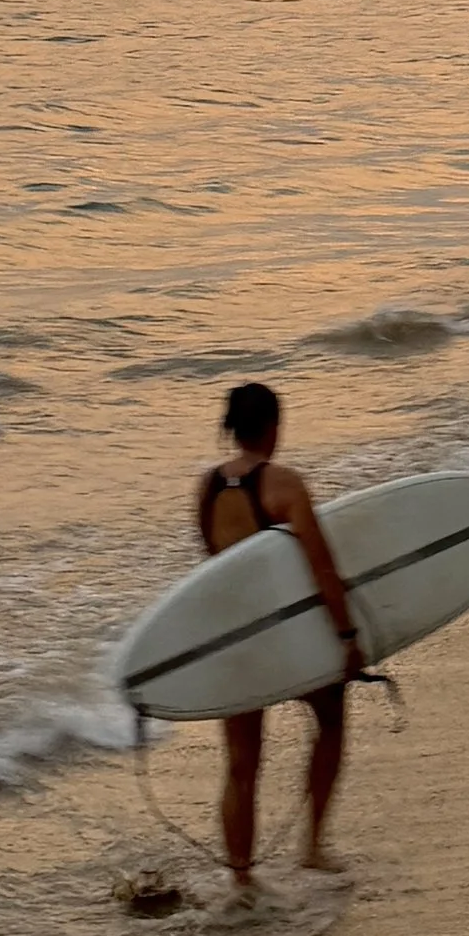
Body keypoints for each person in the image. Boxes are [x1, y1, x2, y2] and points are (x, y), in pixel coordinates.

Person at [195, 379, 362, 885]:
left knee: (242, 763)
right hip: (284, 636)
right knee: (330, 718)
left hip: (235, 639)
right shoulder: (284, 484)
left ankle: (242, 881)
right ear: (272, 426)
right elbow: (322, 568)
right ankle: (311, 846)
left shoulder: (205, 488)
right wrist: (346, 637)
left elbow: (216, 570)